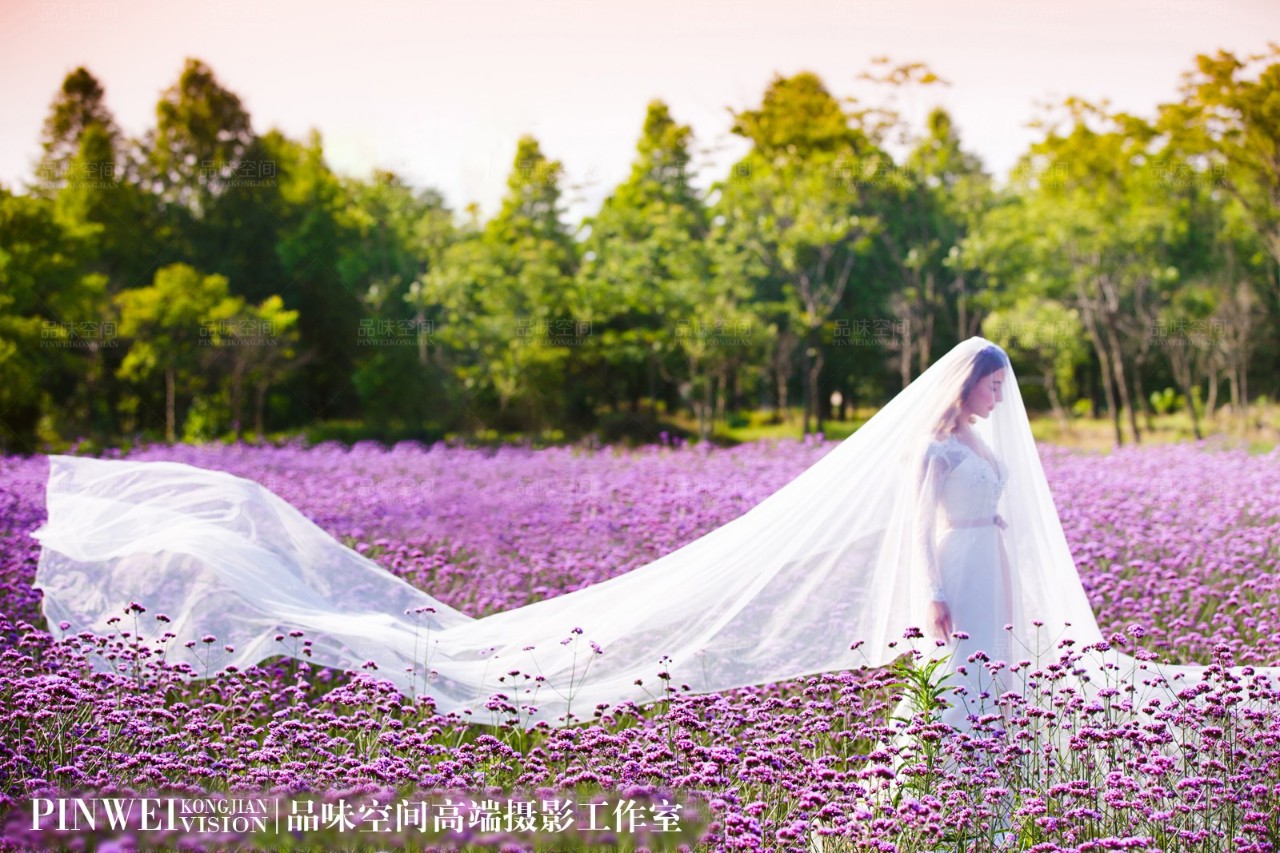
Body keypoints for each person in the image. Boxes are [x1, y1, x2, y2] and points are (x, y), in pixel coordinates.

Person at [30, 337, 1280, 739]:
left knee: (1012, 668)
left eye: (1007, 389)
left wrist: (1003, 567)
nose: (1006, 400)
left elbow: (999, 511)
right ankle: (955, 741)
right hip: (954, 565)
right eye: (997, 386)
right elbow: (911, 526)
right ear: (970, 386)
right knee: (962, 666)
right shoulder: (930, 447)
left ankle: (989, 740)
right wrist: (935, 593)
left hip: (989, 553)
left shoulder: (994, 448)